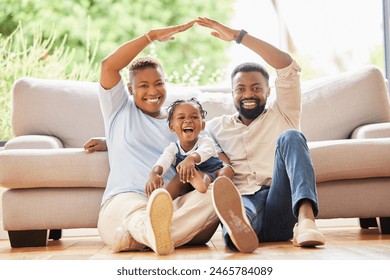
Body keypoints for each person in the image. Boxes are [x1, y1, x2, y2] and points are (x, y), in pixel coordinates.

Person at [87, 20, 222, 255]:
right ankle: (152, 233)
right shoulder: (119, 109)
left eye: (159, 83)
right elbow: (108, 66)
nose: (153, 91)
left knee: (216, 194)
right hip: (125, 200)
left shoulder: (184, 120)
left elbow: (215, 157)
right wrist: (151, 36)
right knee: (135, 215)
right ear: (130, 89)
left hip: (168, 201)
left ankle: (137, 239)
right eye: (144, 85)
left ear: (166, 85)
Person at [196, 17, 326, 253]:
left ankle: (306, 222)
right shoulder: (215, 127)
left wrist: (239, 36)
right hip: (244, 200)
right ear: (232, 93)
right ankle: (237, 230)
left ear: (268, 91)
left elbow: (287, 65)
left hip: (282, 205)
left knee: (292, 136)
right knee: (236, 223)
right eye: (241, 89)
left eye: (256, 88)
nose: (249, 94)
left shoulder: (283, 113)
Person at [146, 98, 225, 200]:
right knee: (179, 177)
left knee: (205, 176)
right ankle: (164, 200)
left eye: (194, 117)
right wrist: (155, 173)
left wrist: (191, 159)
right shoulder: (173, 148)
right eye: (181, 117)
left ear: (203, 125)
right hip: (186, 180)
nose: (188, 121)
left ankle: (201, 184)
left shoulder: (205, 141)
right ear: (172, 126)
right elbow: (163, 160)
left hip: (209, 174)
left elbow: (206, 150)